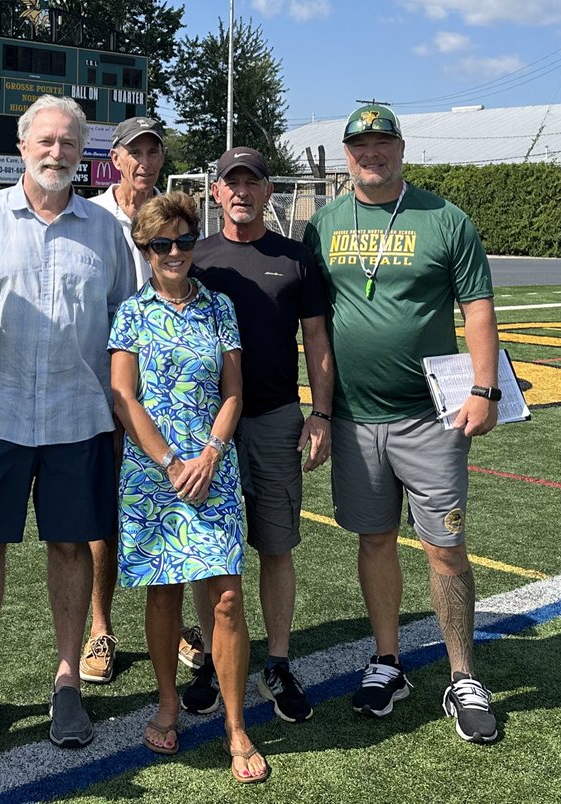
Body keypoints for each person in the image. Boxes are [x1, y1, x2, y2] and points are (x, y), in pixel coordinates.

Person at [0, 95, 134, 750]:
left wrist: (128, 414)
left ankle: (68, 681)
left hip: (81, 417)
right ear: (21, 148)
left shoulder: (106, 233)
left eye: (69, 143)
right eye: (45, 140)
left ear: (84, 154)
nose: (57, 152)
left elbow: (127, 327)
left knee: (71, 546)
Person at [302, 103, 501, 744]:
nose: (372, 153)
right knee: (375, 541)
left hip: (430, 418)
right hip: (357, 420)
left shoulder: (445, 218)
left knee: (445, 547)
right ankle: (388, 661)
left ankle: (463, 673)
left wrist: (485, 388)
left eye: (382, 142)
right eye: (361, 145)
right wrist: (322, 409)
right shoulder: (324, 223)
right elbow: (315, 326)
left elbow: (476, 308)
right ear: (346, 152)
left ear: (401, 147)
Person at [110, 191, 269, 784]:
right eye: (161, 244)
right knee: (165, 596)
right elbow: (124, 396)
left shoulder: (219, 307)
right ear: (145, 249)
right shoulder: (131, 313)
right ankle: (169, 703)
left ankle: (235, 724)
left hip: (214, 470)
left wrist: (210, 452)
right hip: (154, 477)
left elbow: (234, 390)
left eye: (182, 241)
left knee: (226, 598)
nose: (174, 252)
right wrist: (171, 461)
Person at [181, 146, 335, 723]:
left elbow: (317, 339)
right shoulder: (194, 257)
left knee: (275, 544)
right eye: (231, 182)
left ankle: (276, 659)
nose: (241, 191)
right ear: (215, 192)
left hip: (274, 417)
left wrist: (320, 414)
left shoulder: (294, 258)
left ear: (270, 191)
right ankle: (211, 659)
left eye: (252, 182)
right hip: (207, 421)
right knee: (206, 549)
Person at [80, 115, 165, 684]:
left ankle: (174, 622)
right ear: (115, 156)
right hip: (102, 391)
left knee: (166, 508)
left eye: (152, 150)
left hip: (164, 394)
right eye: (135, 150)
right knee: (101, 515)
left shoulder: (174, 212)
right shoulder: (90, 215)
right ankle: (100, 627)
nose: (144, 161)